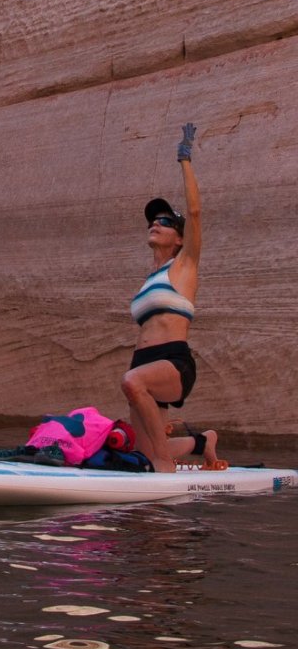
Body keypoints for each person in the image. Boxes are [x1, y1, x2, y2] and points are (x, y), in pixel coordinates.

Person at [120, 123, 222, 472]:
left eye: (164, 221)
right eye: (152, 220)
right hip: (143, 360)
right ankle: (202, 442)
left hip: (173, 362)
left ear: (179, 238)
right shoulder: (150, 279)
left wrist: (185, 159)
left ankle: (165, 468)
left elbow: (194, 213)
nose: (156, 223)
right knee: (144, 448)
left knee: (132, 383)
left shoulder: (185, 265)